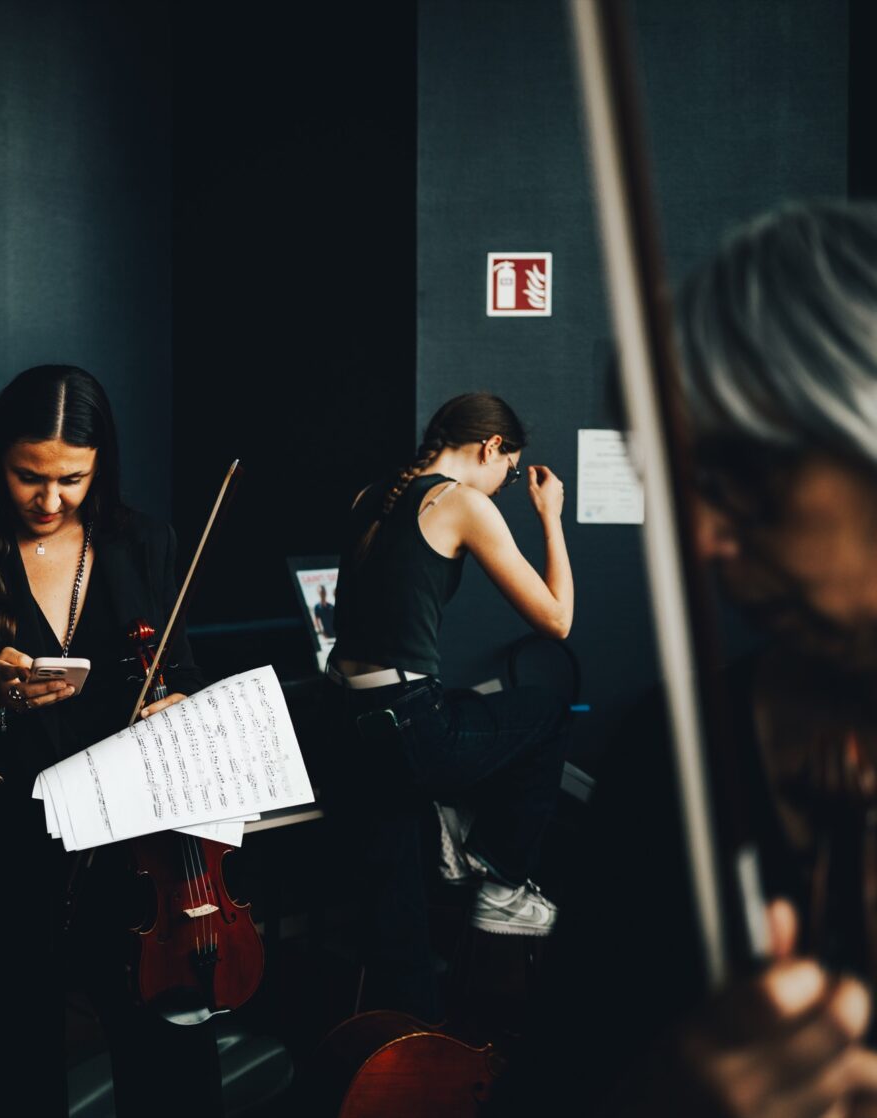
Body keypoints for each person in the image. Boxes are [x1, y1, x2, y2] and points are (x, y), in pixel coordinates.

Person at [501, 200, 877, 1116]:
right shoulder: (670, 752)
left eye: (745, 480)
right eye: (679, 487)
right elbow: (553, 1087)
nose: (701, 539)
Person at [0, 365, 222, 1117]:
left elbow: (182, 673)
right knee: (7, 1075)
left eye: (72, 478)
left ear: (101, 466)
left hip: (130, 852)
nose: (51, 499)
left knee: (171, 1065)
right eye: (28, 476)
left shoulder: (146, 544)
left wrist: (174, 703)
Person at [317, 391, 574, 1021]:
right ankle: (503, 883)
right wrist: (550, 517)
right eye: (510, 471)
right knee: (547, 710)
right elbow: (557, 621)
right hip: (410, 728)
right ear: (491, 448)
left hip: (347, 725)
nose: (507, 482)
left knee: (396, 923)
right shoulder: (464, 502)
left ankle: (403, 1063)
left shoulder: (372, 495)